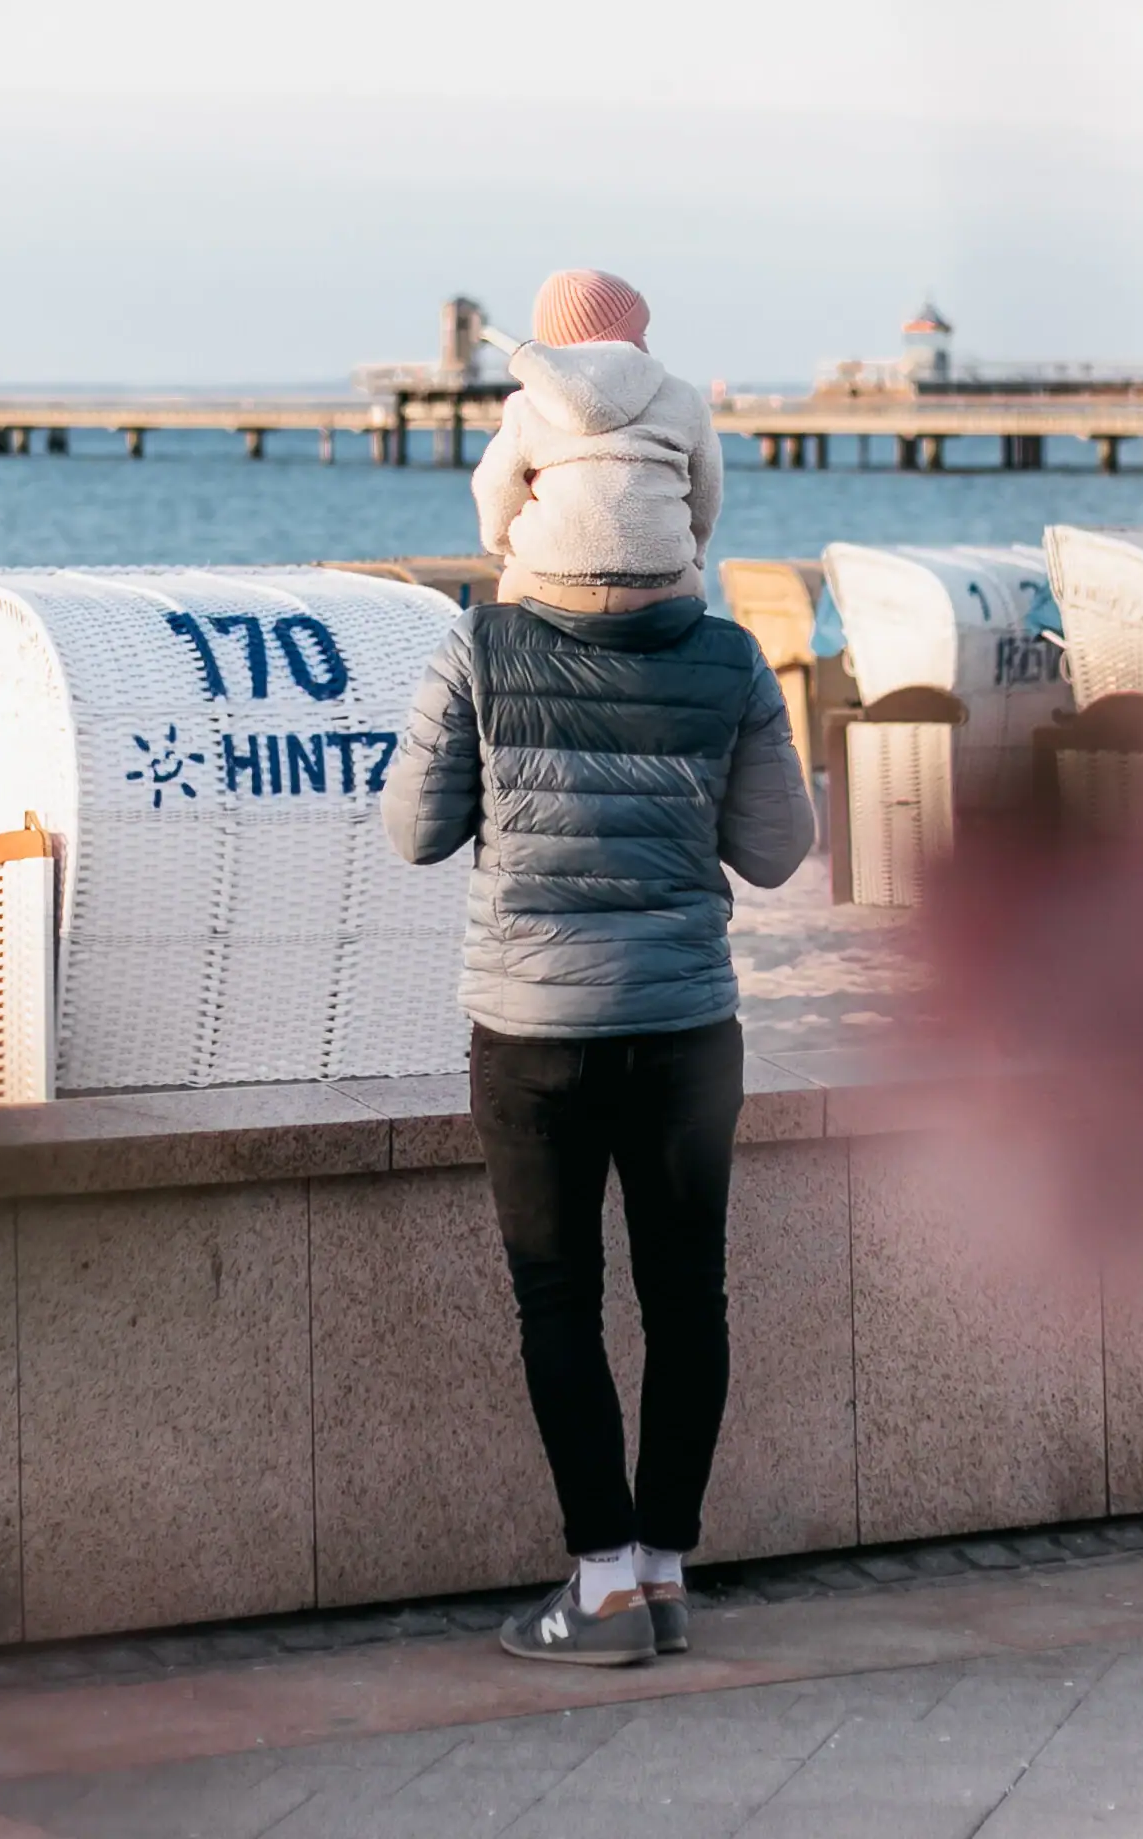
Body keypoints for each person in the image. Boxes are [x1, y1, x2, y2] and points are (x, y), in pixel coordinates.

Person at [384, 268, 815, 1668]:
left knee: (558, 1299)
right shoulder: (732, 657)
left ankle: (604, 1579)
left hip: (535, 1032)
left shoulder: (484, 646)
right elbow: (778, 853)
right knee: (688, 1302)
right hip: (689, 1023)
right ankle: (669, 1567)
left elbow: (413, 830)